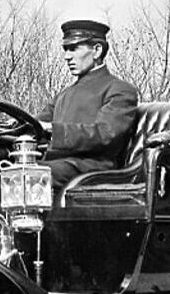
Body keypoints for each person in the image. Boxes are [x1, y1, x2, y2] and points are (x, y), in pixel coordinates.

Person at [38, 19, 140, 188]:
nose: (67, 56)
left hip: (92, 170)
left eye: (74, 48)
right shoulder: (64, 95)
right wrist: (10, 128)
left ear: (97, 51)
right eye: (65, 49)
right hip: (59, 166)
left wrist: (52, 130)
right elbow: (34, 124)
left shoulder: (119, 90)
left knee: (27, 174)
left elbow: (105, 133)